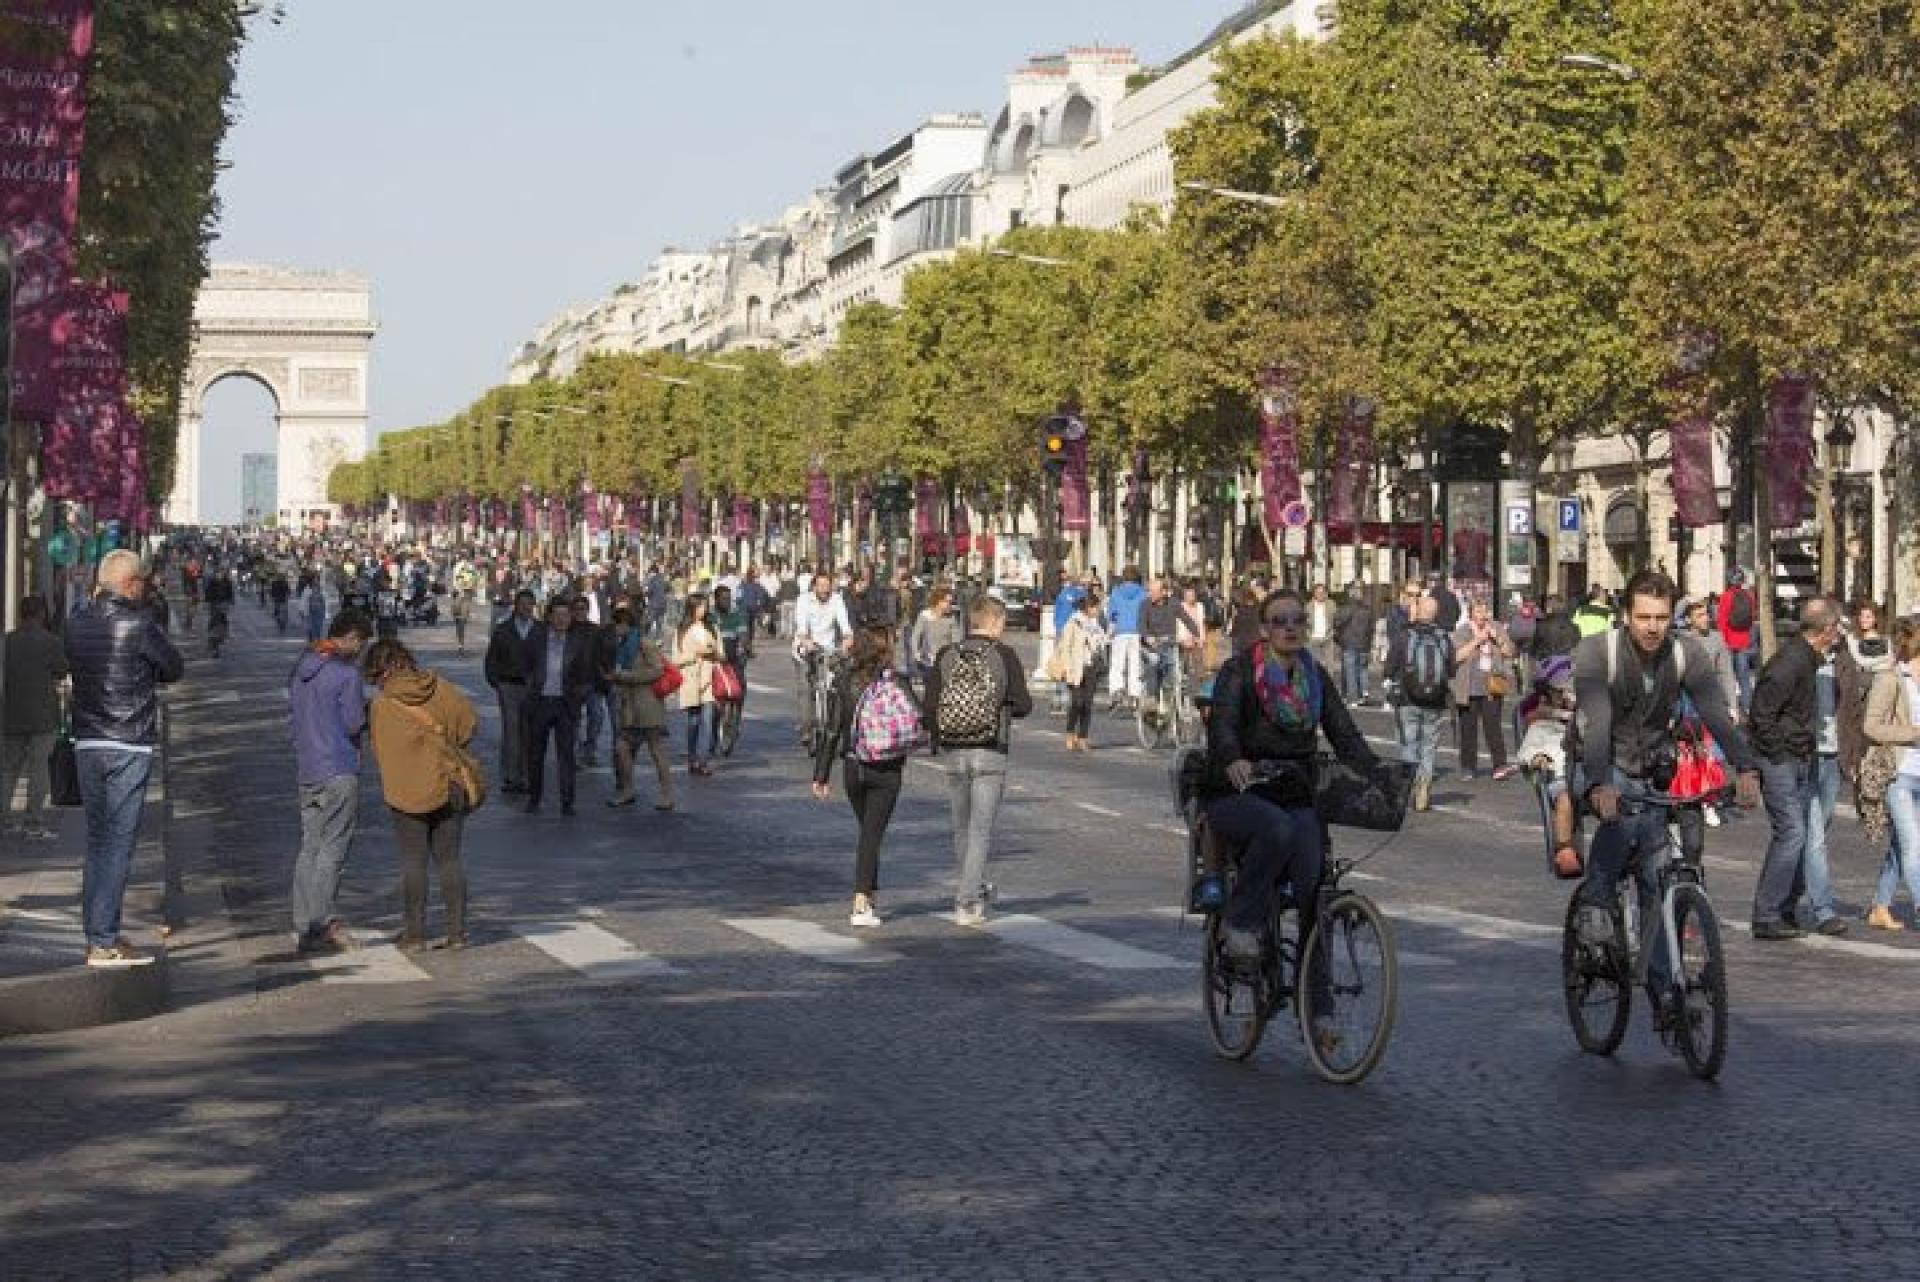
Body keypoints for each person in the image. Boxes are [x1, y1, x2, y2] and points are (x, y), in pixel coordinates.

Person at [1572, 571, 1758, 1020]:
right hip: (1600, 756)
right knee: (1623, 821)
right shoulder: (1598, 653)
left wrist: (1745, 765)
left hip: (1655, 763)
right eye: (1642, 617)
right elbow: (1596, 722)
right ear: (1625, 616)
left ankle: (1664, 990)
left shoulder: (1685, 653)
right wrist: (1599, 785)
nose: (1652, 627)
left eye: (1660, 617)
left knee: (1659, 877)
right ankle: (1596, 902)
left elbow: (1714, 711)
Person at [1204, 587, 1376, 974]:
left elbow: (1342, 730)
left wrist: (1373, 771)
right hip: (1238, 791)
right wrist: (1234, 759)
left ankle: (1318, 1010)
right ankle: (1242, 922)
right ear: (1264, 629)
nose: (1290, 628)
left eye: (1298, 619)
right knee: (1275, 828)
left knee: (1315, 891)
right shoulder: (1240, 671)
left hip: (1296, 790)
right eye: (1279, 621)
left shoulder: (1315, 676)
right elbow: (1223, 724)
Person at [64, 550, 185, 967]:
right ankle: (103, 940)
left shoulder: (76, 622)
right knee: (117, 844)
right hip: (127, 740)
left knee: (97, 842)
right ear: (131, 584)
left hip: (88, 740)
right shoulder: (139, 624)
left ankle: (99, 932)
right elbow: (173, 667)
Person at [925, 595, 1033, 926]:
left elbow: (930, 704)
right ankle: (968, 900)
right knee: (980, 831)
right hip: (990, 748)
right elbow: (1024, 704)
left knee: (961, 828)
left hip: (954, 748)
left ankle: (971, 887)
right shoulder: (1003, 655)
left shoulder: (947, 654)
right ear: (996, 622)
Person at [364, 639, 476, 951]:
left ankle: (414, 935)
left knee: (413, 861)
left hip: (407, 791)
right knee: (450, 859)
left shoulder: (382, 705)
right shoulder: (440, 686)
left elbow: (381, 750)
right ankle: (457, 933)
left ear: (379, 671)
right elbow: (469, 725)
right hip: (450, 784)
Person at [1748, 596, 1844, 940]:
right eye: (1836, 630)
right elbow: (1761, 713)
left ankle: (1784, 907)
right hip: (1783, 759)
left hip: (1798, 756)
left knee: (1798, 833)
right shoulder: (1790, 663)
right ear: (1826, 630)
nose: (1837, 637)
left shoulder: (1807, 659)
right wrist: (1777, 753)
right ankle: (1767, 913)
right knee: (1792, 833)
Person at [811, 625, 915, 927]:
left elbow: (830, 730)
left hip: (853, 767)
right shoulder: (896, 681)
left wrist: (821, 774)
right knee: (871, 835)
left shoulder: (844, 680)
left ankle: (870, 895)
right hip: (886, 768)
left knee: (870, 832)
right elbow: (919, 716)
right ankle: (860, 901)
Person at [288, 610, 373, 953]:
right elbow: (353, 723)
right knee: (333, 847)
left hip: (308, 765)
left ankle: (303, 920)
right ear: (351, 637)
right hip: (338, 764)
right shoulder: (345, 674)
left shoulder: (302, 669)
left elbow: (293, 716)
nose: (362, 650)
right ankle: (322, 920)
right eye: (362, 643)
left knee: (310, 846)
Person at [1862, 618, 1920, 929]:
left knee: (1902, 845)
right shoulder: (1892, 678)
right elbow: (1871, 726)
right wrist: (1912, 734)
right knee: (1914, 845)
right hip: (1900, 774)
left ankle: (1880, 906)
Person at [2, 595, 70, 842]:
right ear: (41, 614)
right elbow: (62, 669)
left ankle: (5, 820)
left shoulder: (7, 642)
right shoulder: (51, 642)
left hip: (11, 713)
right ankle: (34, 821)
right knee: (38, 768)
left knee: (8, 768)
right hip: (42, 715)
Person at [520, 597, 596, 815]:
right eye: (558, 615)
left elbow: (586, 672)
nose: (562, 619)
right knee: (535, 754)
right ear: (549, 617)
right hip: (541, 702)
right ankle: (534, 797)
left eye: (566, 615)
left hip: (565, 704)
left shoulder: (578, 641)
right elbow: (525, 664)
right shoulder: (536, 638)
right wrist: (530, 687)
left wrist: (578, 696)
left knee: (566, 755)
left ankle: (567, 801)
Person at [1387, 594, 1452, 812]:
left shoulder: (1405, 635)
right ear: (1435, 614)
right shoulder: (1444, 637)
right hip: (1435, 700)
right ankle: (1424, 783)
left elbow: (1390, 666)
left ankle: (1411, 784)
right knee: (1429, 746)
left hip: (1407, 698)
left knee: (1408, 743)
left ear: (1418, 611)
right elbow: (1450, 669)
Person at [605, 607, 675, 811]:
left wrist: (625, 677)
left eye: (617, 624)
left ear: (625, 624)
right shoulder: (624, 645)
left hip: (648, 704)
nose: (616, 629)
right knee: (622, 748)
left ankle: (666, 794)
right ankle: (627, 789)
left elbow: (657, 670)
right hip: (629, 705)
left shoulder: (644, 644)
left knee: (656, 750)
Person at [1517, 655, 1581, 877]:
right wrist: (1537, 758)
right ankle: (1564, 848)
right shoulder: (1541, 725)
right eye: (1561, 692)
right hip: (1561, 776)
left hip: (1588, 774)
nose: (1567, 697)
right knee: (1564, 800)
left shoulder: (1585, 720)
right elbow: (1529, 750)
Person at [1452, 599, 1517, 782]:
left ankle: (1499, 764)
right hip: (1468, 686)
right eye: (1479, 612)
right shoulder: (1462, 631)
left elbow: (1510, 652)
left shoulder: (1496, 627)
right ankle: (1468, 766)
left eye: (1485, 611)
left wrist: (1497, 638)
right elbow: (1456, 656)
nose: (1483, 616)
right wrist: (1477, 641)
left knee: (1493, 726)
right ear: (1471, 613)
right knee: (1468, 728)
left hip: (1491, 685)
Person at [484, 590, 538, 796]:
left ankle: (527, 775)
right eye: (523, 604)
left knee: (529, 731)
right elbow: (491, 659)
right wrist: (496, 682)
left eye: (529, 604)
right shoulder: (503, 630)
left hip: (532, 687)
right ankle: (511, 776)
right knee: (511, 731)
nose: (526, 608)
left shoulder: (540, 630)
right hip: (508, 685)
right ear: (515, 606)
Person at [792, 572, 853, 745]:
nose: (824, 590)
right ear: (814, 587)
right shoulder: (804, 600)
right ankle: (807, 728)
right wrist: (806, 641)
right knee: (806, 690)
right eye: (820, 586)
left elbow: (844, 624)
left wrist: (848, 639)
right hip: (805, 649)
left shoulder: (837, 600)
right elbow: (801, 626)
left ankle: (830, 723)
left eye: (827, 586)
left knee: (832, 688)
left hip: (828, 650)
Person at [1050, 592, 1107, 752]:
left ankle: (1083, 737)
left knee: (1087, 705)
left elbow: (1101, 643)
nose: (1098, 610)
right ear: (1088, 607)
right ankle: (1070, 733)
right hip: (1076, 669)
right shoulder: (1073, 622)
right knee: (1076, 703)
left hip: (1091, 667)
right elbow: (1065, 647)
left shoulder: (1096, 624)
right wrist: (1068, 669)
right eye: (1096, 607)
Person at [675, 593, 720, 777]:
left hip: (709, 679)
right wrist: (695, 654)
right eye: (701, 606)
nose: (704, 609)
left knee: (708, 722)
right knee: (693, 722)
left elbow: (721, 654)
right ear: (692, 608)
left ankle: (703, 761)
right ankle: (692, 758)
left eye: (705, 606)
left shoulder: (712, 627)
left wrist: (712, 652)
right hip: (691, 680)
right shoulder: (683, 630)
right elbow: (676, 659)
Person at [1716, 568, 1759, 710]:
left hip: (1728, 640)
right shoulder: (1750, 596)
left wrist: (1722, 640)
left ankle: (1729, 705)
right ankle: (1748, 705)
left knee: (1726, 675)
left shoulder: (1726, 596)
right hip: (1744, 640)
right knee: (1744, 676)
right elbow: (1752, 617)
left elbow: (1722, 619)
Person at [1105, 566, 1147, 709]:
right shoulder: (1142, 593)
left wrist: (1110, 630)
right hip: (1137, 631)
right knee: (1135, 663)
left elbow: (1112, 614)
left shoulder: (1116, 592)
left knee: (1117, 663)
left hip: (1120, 630)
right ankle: (1135, 693)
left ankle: (1116, 690)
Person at [907, 585, 960, 690]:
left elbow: (956, 641)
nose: (950, 605)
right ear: (938, 601)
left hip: (945, 661)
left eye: (951, 602)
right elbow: (915, 636)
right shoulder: (925, 616)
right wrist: (916, 653)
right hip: (927, 661)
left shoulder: (951, 618)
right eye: (947, 602)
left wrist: (954, 655)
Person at [1333, 586, 1376, 705]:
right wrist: (1369, 643)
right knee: (1362, 669)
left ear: (1350, 595)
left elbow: (1337, 623)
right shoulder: (1367, 610)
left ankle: (1353, 697)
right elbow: (1371, 628)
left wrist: (1339, 634)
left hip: (1349, 643)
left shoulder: (1345, 609)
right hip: (1364, 644)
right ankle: (1364, 692)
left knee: (1350, 670)